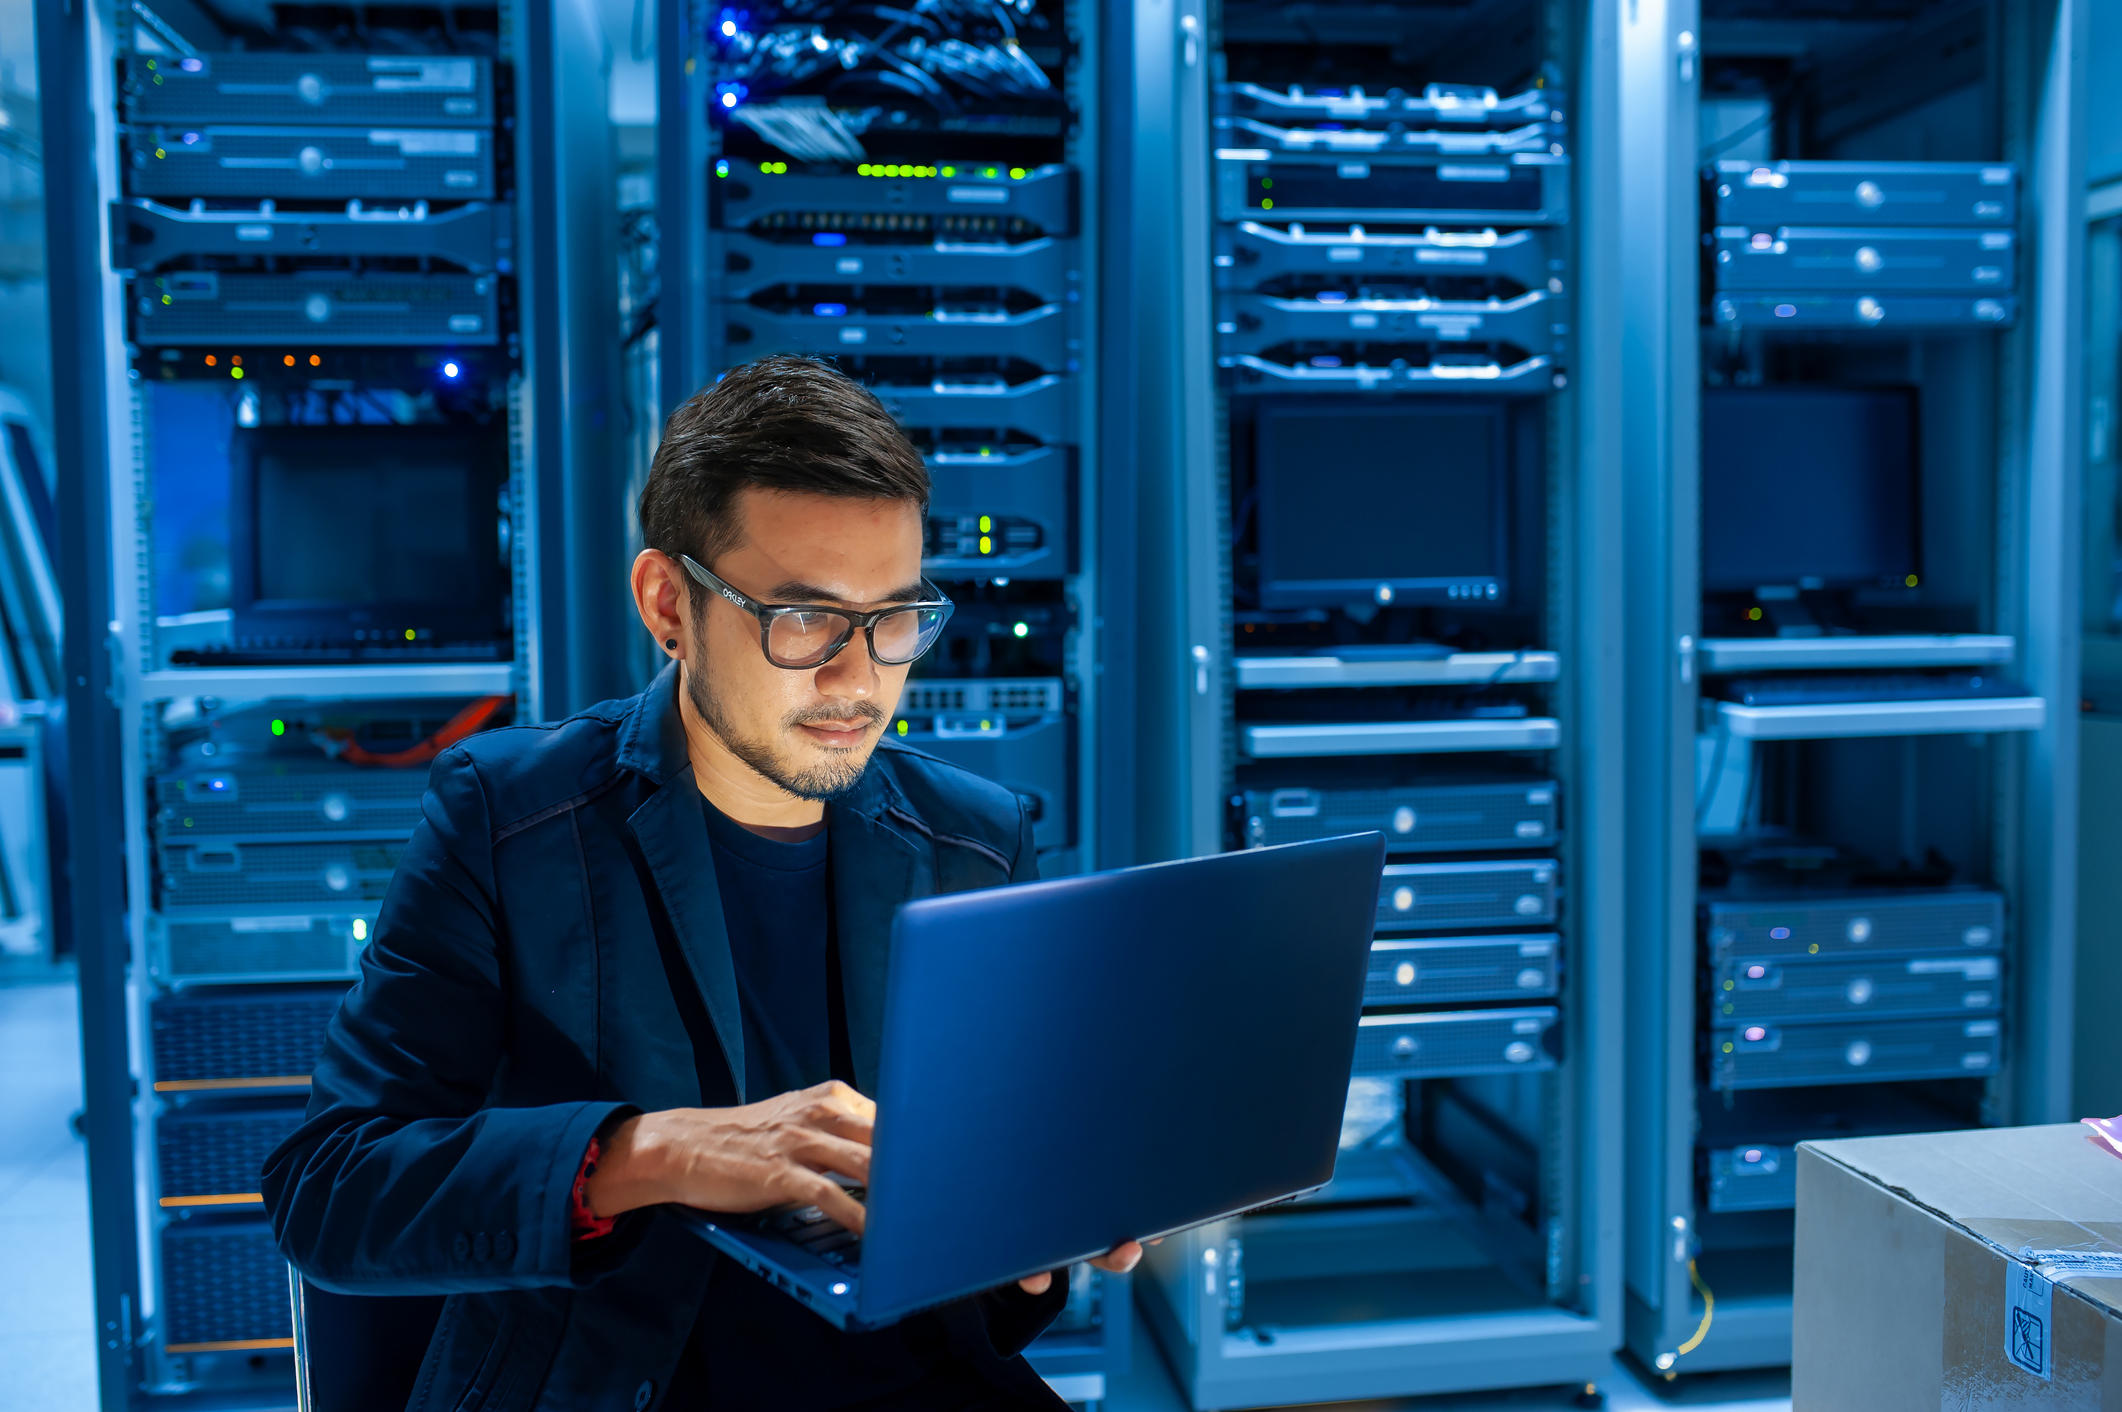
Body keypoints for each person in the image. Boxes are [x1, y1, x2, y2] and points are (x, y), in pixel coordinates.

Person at [263, 356, 1141, 1410]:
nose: (858, 679)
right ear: (668, 602)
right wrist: (649, 1149)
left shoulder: (976, 836)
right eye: (803, 618)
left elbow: (982, 1277)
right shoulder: (507, 816)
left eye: (895, 617)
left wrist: (1022, 1235)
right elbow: (331, 1188)